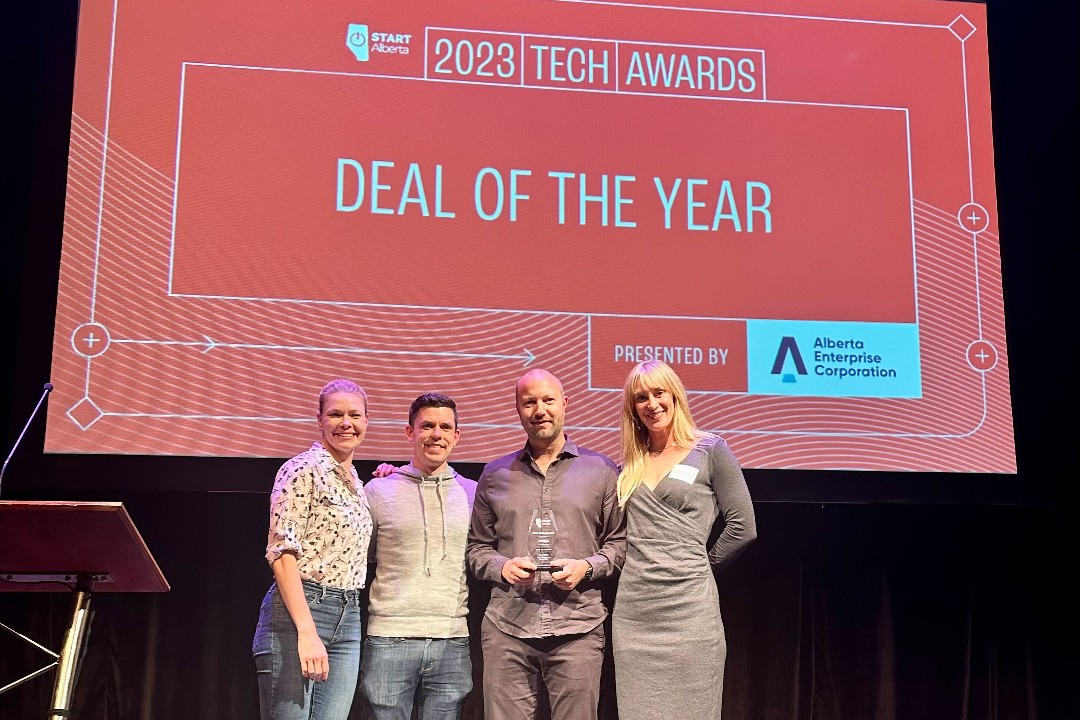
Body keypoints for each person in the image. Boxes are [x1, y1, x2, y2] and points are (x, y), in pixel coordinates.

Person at [466, 368, 626, 720]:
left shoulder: (601, 471)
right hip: (507, 628)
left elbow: (620, 543)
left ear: (565, 404)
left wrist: (586, 567)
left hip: (578, 628)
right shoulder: (495, 474)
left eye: (548, 400)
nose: (539, 409)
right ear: (518, 409)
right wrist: (502, 567)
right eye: (529, 402)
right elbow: (477, 549)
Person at [611, 360, 757, 720]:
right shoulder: (630, 464)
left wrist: (700, 567)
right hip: (636, 615)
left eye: (659, 392)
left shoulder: (710, 450)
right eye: (641, 397)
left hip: (690, 612)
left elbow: (743, 526)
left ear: (675, 396)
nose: (652, 404)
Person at [252, 379, 373, 720]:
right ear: (319, 419)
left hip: (348, 615)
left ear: (366, 421)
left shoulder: (355, 482)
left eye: (354, 415)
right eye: (335, 414)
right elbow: (282, 552)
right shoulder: (302, 469)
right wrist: (306, 632)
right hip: (301, 612)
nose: (345, 423)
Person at [360, 393, 477, 719]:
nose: (436, 434)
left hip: (452, 639)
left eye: (444, 427)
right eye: (426, 425)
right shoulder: (378, 491)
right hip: (389, 639)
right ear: (410, 432)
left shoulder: (472, 493)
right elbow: (362, 558)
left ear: (456, 435)